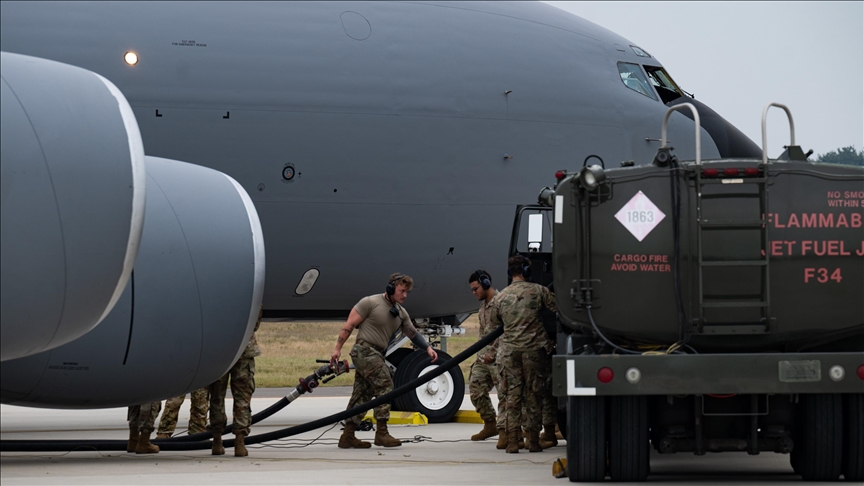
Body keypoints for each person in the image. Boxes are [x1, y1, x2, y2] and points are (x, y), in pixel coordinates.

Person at [331, 273, 438, 449]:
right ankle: (382, 433)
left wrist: (427, 348)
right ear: (391, 288)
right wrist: (337, 349)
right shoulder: (370, 303)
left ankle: (347, 436)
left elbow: (412, 333)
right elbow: (349, 325)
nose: (405, 295)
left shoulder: (401, 313)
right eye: (402, 291)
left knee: (362, 394)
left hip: (378, 354)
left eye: (407, 292)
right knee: (386, 386)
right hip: (364, 350)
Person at [488, 255, 557, 453]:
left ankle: (512, 442)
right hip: (534, 351)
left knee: (512, 397)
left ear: (509, 273)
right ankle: (533, 441)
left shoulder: (500, 297)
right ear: (527, 271)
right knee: (534, 395)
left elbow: (494, 322)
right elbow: (557, 309)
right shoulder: (539, 291)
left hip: (509, 353)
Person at [208, 307, 262, 457]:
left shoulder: (215, 299)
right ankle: (239, 443)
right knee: (242, 398)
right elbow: (255, 323)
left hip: (219, 349)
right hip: (244, 348)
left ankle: (217, 442)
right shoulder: (248, 296)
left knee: (216, 396)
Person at [467, 269, 505, 444]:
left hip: (500, 358)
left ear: (486, 284)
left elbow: (508, 332)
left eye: (476, 289)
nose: (474, 293)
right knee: (475, 388)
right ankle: (490, 424)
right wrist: (480, 356)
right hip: (484, 358)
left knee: (505, 395)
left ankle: (510, 430)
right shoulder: (482, 307)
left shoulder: (501, 303)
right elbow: (483, 335)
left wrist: (494, 353)